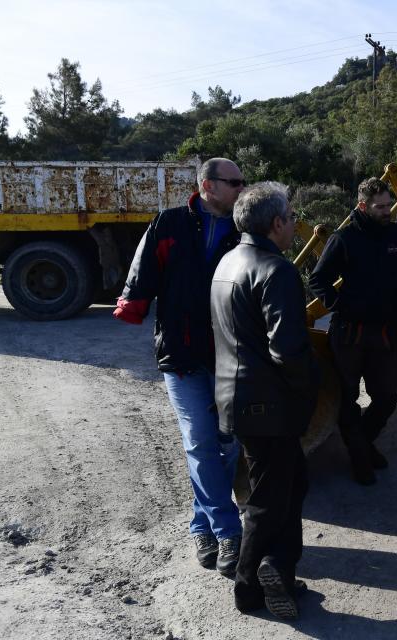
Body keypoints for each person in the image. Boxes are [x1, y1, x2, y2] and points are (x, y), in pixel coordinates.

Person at [114, 158, 245, 575]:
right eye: (234, 182)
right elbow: (143, 274)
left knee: (227, 444)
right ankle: (228, 531)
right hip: (180, 353)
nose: (242, 188)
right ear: (208, 185)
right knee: (199, 441)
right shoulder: (168, 223)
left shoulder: (244, 229)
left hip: (229, 356)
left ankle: (200, 523)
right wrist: (131, 304)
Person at [211, 182, 319, 620]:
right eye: (292, 218)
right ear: (277, 224)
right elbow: (288, 351)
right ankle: (249, 584)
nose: (294, 225)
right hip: (269, 404)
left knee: (291, 484)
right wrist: (312, 385)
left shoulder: (227, 262)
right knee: (266, 500)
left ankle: (280, 570)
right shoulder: (276, 270)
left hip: (237, 399)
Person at [309, 178, 397, 485]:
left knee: (387, 397)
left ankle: (362, 442)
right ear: (363, 206)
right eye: (381, 207)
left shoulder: (394, 234)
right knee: (347, 399)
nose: (388, 211)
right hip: (348, 333)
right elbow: (318, 279)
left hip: (383, 332)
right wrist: (340, 304)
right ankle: (361, 459)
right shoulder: (344, 238)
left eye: (389, 205)